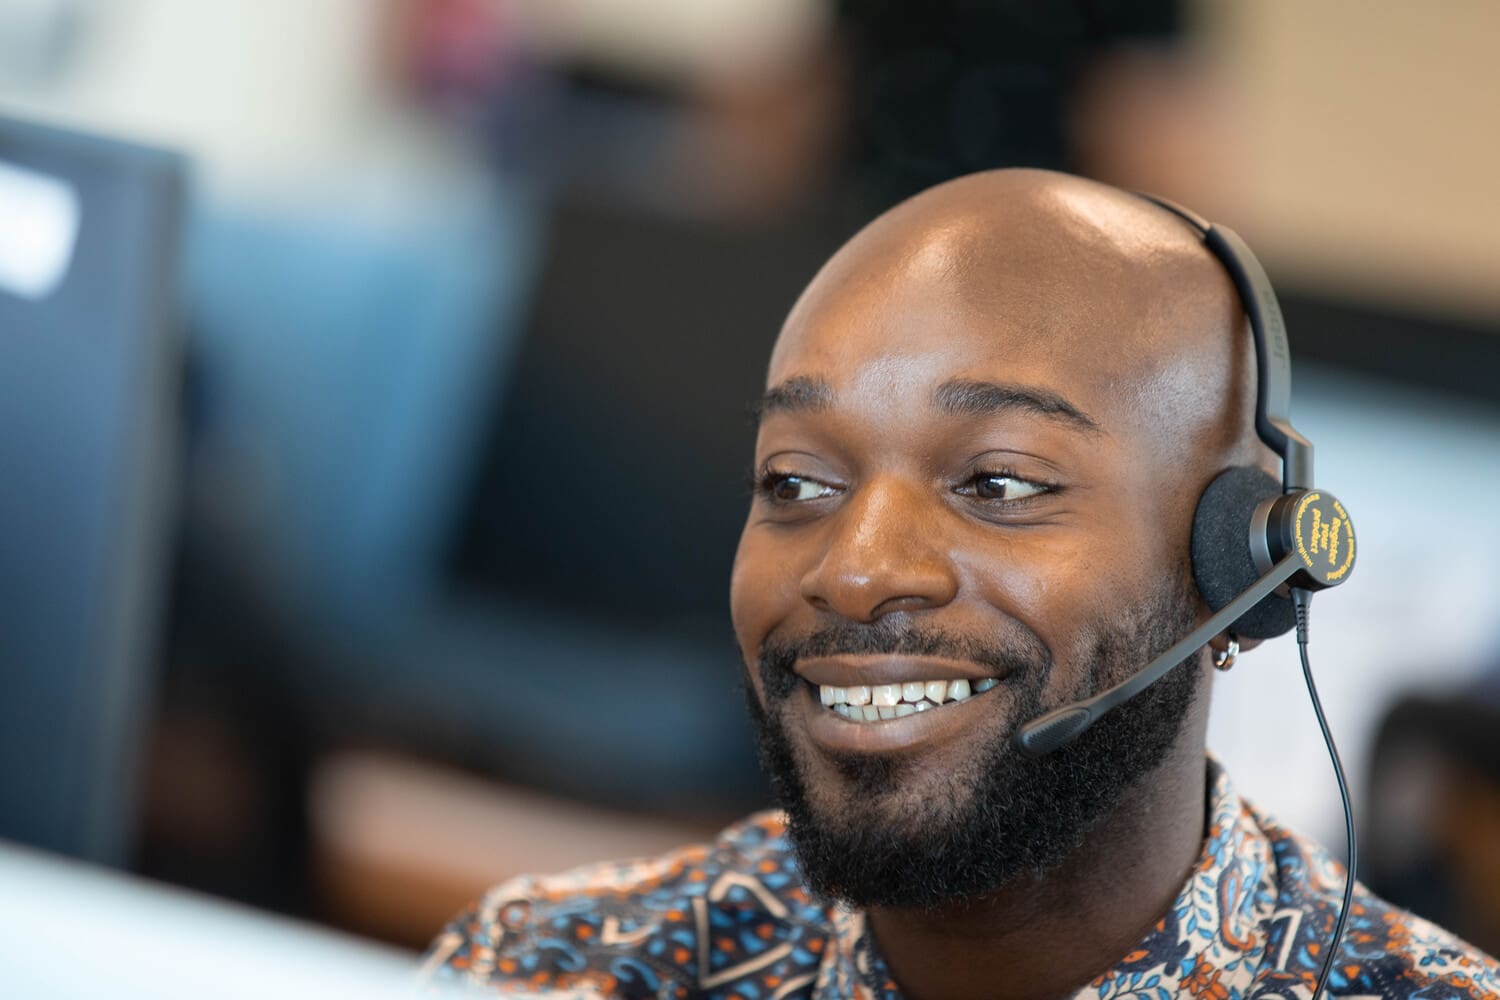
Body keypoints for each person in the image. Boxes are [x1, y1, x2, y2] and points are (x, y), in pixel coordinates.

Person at [423, 170, 1500, 999]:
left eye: (997, 481)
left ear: (1245, 562)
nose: (854, 568)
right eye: (795, 479)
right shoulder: (549, 967)